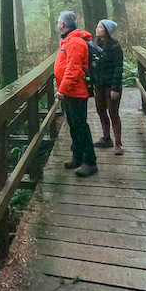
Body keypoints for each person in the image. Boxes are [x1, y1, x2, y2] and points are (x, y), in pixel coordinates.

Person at [54, 10, 97, 177]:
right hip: (70, 93)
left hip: (76, 93)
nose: (57, 25)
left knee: (80, 127)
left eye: (58, 22)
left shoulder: (75, 42)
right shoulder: (67, 41)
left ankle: (90, 162)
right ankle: (77, 157)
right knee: (73, 126)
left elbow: (74, 69)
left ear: (63, 25)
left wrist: (61, 90)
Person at [92, 19, 124, 155]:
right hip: (99, 84)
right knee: (101, 110)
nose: (97, 29)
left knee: (113, 112)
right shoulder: (95, 45)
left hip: (111, 85)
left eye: (100, 27)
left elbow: (118, 68)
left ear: (107, 31)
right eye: (98, 26)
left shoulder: (115, 48)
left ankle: (118, 144)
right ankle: (106, 138)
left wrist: (115, 88)